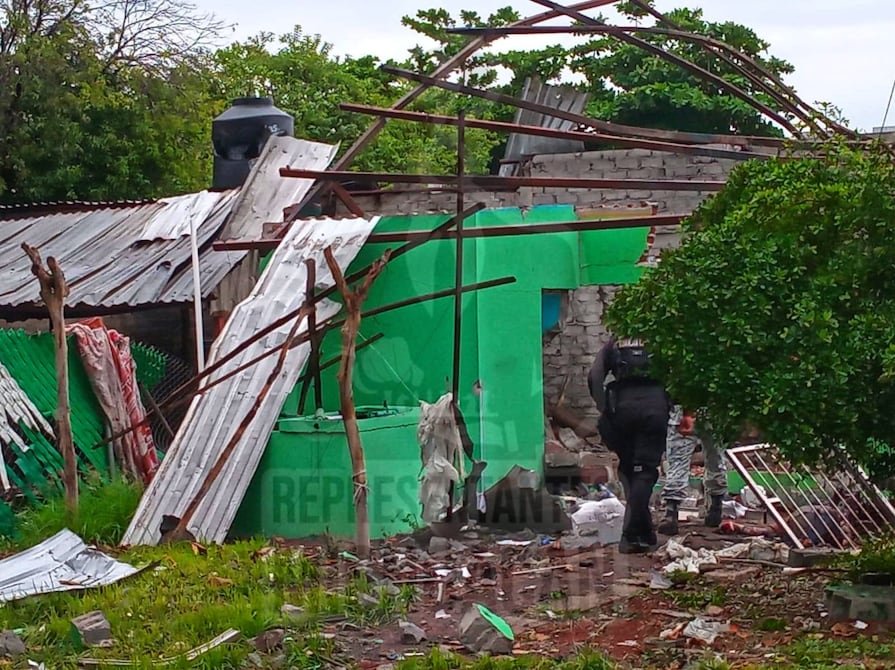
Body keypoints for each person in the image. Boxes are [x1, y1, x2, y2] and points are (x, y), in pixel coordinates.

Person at [588, 336, 670, 554]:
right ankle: (631, 534)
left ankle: (644, 530)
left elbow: (594, 376)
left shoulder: (615, 343)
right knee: (644, 470)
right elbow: (680, 378)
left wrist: (604, 407)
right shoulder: (662, 339)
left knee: (628, 469)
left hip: (620, 408)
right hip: (654, 406)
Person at [658, 407, 728, 535]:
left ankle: (671, 514)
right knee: (716, 459)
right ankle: (716, 508)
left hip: (684, 412)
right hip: (715, 410)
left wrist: (687, 412)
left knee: (678, 463)